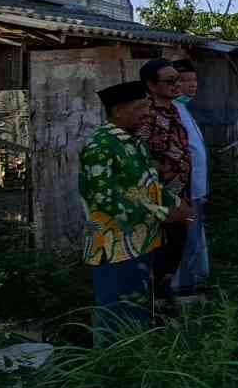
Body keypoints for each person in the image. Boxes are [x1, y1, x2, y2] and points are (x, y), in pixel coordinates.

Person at [79, 81, 187, 338]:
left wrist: (175, 202)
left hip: (140, 242)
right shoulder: (100, 146)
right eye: (141, 107)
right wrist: (163, 213)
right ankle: (110, 368)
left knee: (137, 310)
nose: (148, 113)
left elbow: (145, 186)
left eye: (149, 106)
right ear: (118, 111)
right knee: (115, 315)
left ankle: (137, 361)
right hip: (114, 247)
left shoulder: (133, 143)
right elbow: (104, 199)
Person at [136, 58, 191, 302]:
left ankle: (165, 296)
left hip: (180, 193)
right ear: (151, 85)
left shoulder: (174, 109)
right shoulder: (145, 116)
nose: (177, 85)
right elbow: (142, 158)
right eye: (170, 81)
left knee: (175, 248)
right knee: (157, 252)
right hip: (158, 198)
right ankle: (153, 306)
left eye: (177, 79)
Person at [170, 59, 209, 294]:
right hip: (185, 191)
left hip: (197, 189)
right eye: (185, 81)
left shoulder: (183, 109)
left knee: (194, 238)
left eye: (194, 80)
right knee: (185, 240)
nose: (191, 85)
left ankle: (192, 281)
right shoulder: (172, 112)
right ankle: (183, 287)